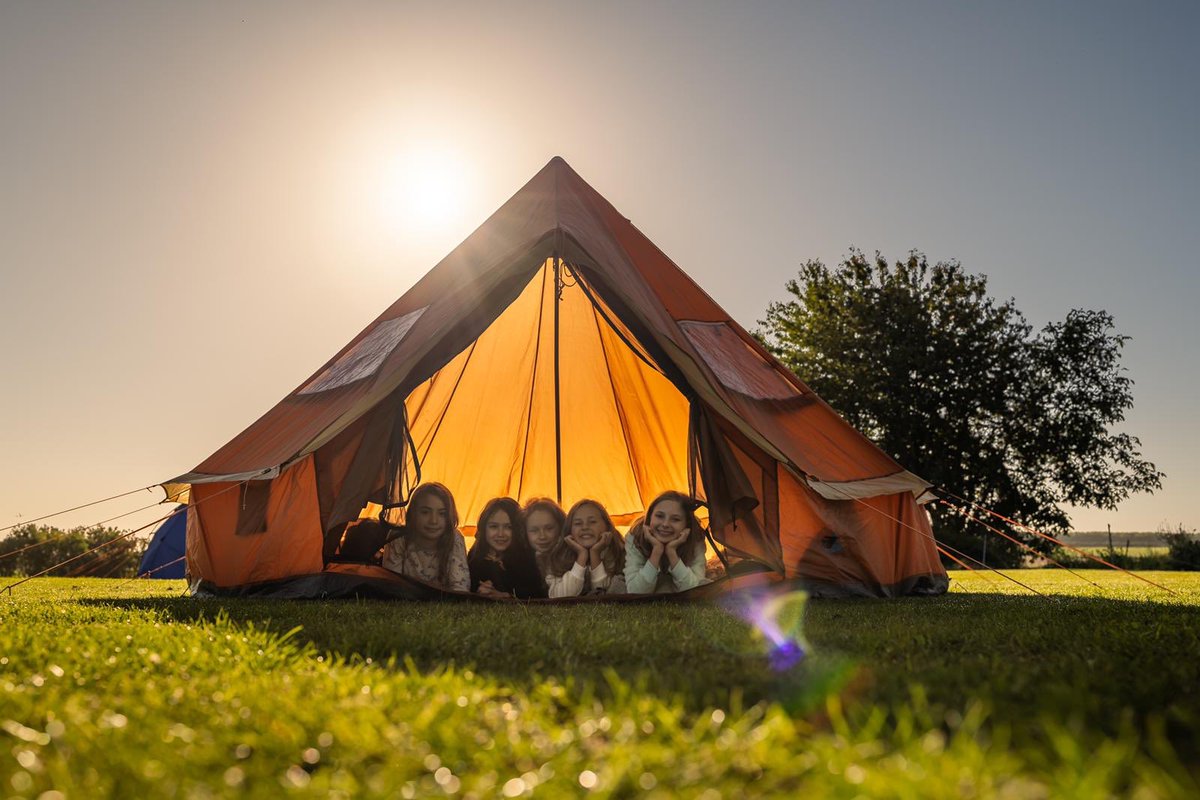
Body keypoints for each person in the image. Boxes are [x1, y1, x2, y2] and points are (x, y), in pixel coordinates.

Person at [380, 482, 470, 592]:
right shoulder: (398, 537)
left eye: (442, 514)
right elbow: (390, 585)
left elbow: (460, 589)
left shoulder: (454, 538)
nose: (433, 521)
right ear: (413, 514)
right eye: (425, 512)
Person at [624, 491, 709, 594]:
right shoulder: (636, 536)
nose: (665, 524)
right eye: (659, 516)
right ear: (650, 517)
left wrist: (671, 552)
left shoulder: (695, 538)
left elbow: (693, 590)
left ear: (687, 524)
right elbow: (636, 592)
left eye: (675, 519)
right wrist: (656, 551)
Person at [467, 497, 547, 599]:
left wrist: (505, 595)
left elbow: (536, 593)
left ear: (518, 530)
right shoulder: (476, 555)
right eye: (494, 526)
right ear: (484, 528)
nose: (501, 534)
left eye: (508, 527)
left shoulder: (529, 556)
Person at [545, 498, 626, 597]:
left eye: (592, 522)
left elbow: (602, 596)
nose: (585, 527)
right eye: (578, 523)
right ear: (569, 530)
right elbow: (561, 597)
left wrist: (595, 554)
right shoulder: (557, 558)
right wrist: (581, 556)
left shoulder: (619, 554)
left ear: (607, 526)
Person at [523, 497, 566, 579]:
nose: (542, 536)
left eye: (549, 528)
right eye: (534, 530)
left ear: (560, 527)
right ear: (525, 532)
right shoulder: (521, 563)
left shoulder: (572, 559)